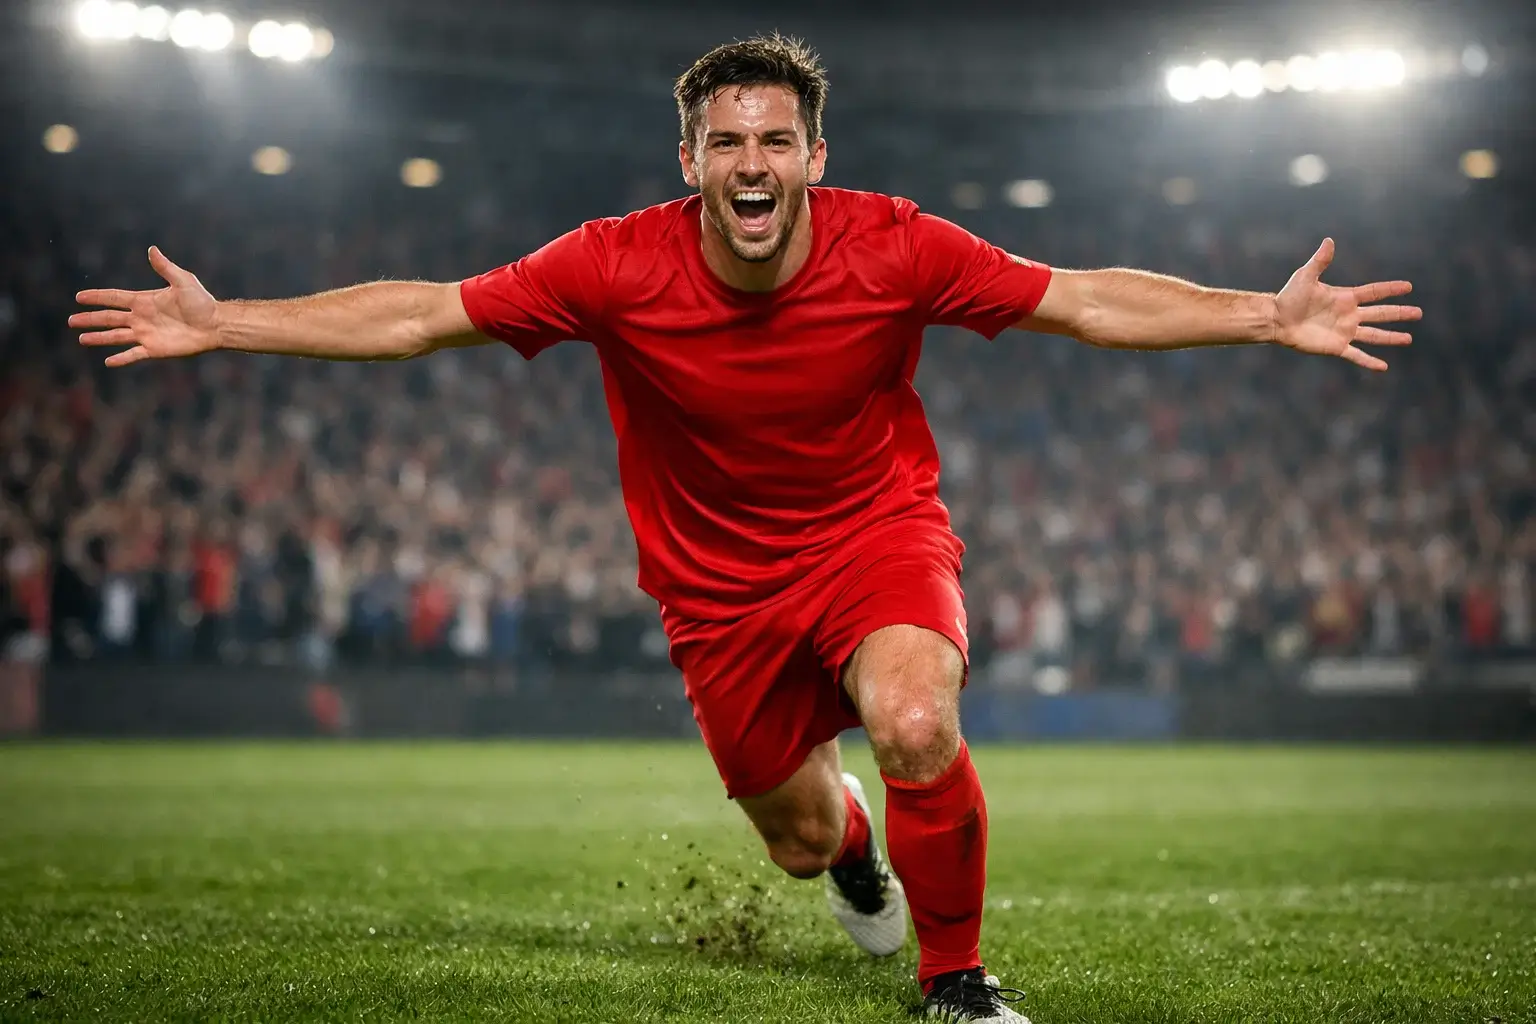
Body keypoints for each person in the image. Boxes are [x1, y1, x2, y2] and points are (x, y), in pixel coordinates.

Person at [69, 34, 1420, 1023]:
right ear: (693, 162)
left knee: (915, 722)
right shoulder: (614, 262)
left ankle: (956, 982)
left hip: (875, 537)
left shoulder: (897, 244)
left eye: (777, 141)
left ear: (815, 158)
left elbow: (1079, 299)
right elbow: (424, 313)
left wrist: (1265, 313)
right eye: (728, 143)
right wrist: (224, 323)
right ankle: (854, 850)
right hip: (714, 592)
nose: (753, 163)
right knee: (796, 838)